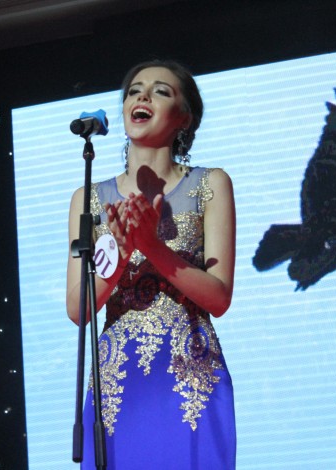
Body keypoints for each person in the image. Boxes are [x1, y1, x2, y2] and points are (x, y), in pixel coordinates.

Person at [66, 59, 237, 468]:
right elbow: (78, 310)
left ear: (184, 118)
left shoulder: (210, 184)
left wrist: (152, 247)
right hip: (119, 384)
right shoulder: (89, 198)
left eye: (161, 91)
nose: (142, 96)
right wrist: (122, 252)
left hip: (189, 373)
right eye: (133, 91)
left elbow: (219, 298)